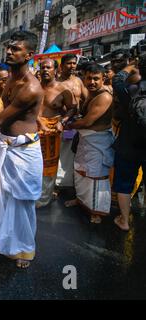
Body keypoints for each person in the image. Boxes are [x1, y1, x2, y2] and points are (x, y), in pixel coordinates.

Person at [0, 31, 44, 268]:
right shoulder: (9, 78)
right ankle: (5, 241)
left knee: (21, 201)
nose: (9, 52)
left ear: (29, 54)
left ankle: (24, 249)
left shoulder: (31, 87)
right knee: (2, 197)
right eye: (9, 47)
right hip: (5, 146)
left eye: (16, 49)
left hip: (23, 152)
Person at [65, 63, 114, 224]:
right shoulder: (91, 94)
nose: (92, 82)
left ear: (103, 79)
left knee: (96, 176)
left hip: (98, 141)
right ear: (84, 78)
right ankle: (81, 200)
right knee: (81, 171)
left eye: (96, 79)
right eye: (89, 78)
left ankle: (97, 211)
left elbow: (87, 122)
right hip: (86, 140)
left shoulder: (104, 96)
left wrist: (68, 125)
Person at [112, 55, 146, 231]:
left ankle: (124, 221)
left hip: (128, 146)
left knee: (124, 184)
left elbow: (117, 79)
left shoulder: (130, 91)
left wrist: (131, 66)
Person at [37, 59, 76, 208]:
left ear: (56, 69)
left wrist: (62, 121)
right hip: (33, 129)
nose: (45, 70)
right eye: (42, 67)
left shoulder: (62, 89)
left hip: (51, 131)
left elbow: (73, 108)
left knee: (49, 164)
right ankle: (32, 194)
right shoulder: (34, 87)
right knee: (33, 163)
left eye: (48, 67)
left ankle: (44, 198)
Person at [57, 54, 89, 189]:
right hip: (62, 123)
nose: (72, 66)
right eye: (69, 63)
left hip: (77, 122)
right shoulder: (56, 83)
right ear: (61, 66)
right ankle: (58, 184)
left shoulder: (78, 81)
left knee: (75, 154)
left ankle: (71, 183)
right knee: (61, 155)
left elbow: (87, 99)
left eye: (74, 63)